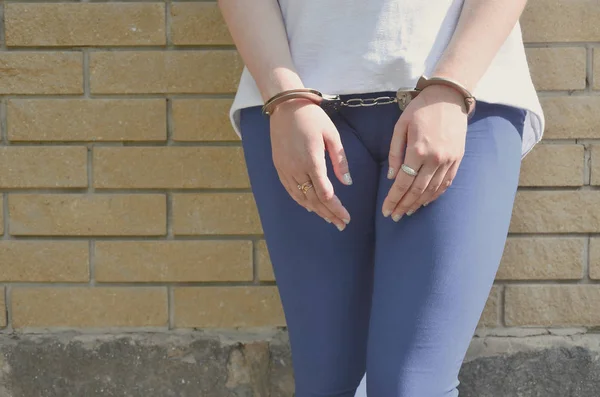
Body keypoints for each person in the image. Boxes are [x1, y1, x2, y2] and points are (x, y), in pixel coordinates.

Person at [219, 0, 544, 396]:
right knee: (326, 384)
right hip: (293, 105)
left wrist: (452, 85)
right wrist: (284, 96)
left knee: (412, 387)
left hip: (463, 100)